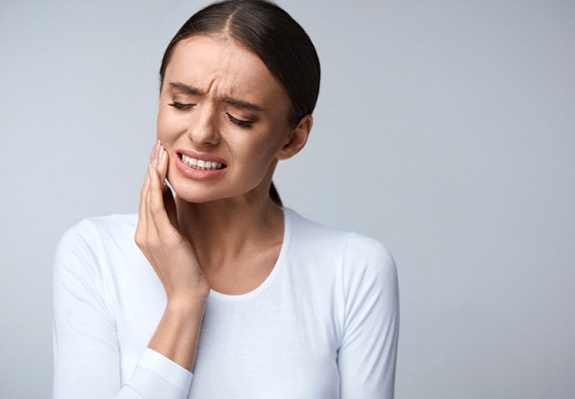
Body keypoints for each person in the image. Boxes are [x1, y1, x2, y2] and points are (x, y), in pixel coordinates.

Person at [52, 0, 399, 397]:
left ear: (293, 138)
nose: (201, 132)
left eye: (239, 118)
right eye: (182, 102)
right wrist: (184, 303)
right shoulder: (93, 254)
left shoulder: (353, 270)